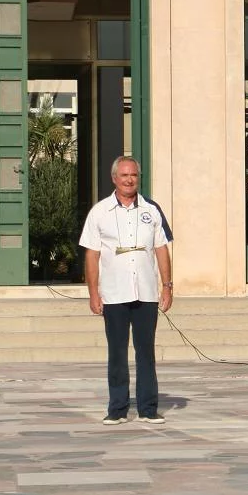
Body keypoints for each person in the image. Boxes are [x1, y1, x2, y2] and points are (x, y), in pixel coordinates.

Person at [79, 156, 174, 426]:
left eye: (133, 175)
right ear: (114, 179)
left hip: (145, 292)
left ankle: (148, 408)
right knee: (117, 352)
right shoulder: (100, 212)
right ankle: (118, 408)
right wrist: (93, 293)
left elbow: (161, 249)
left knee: (146, 351)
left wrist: (167, 286)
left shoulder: (151, 211)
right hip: (114, 294)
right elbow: (92, 255)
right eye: (124, 175)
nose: (129, 180)